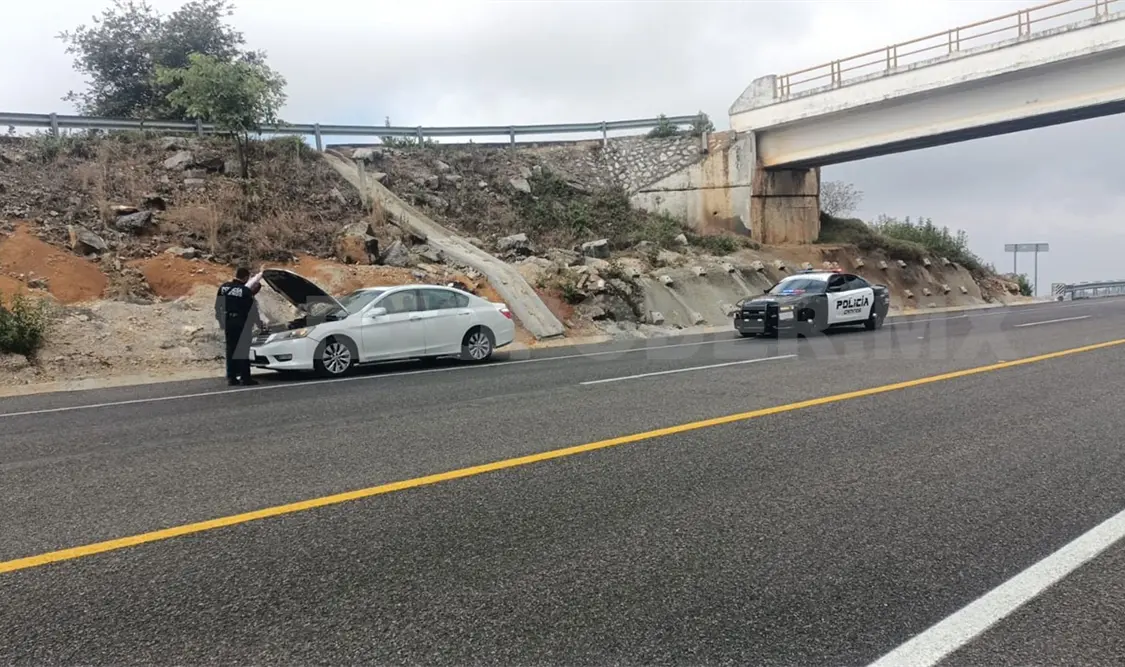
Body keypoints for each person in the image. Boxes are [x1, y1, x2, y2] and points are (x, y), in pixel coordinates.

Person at [215, 266, 262, 386]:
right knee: (242, 350)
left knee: (230, 349)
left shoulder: (224, 287)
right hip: (242, 322)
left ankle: (231, 377)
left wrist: (221, 321)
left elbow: (218, 306)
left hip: (228, 321)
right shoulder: (245, 291)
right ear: (246, 277)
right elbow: (252, 310)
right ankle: (245, 378)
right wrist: (259, 324)